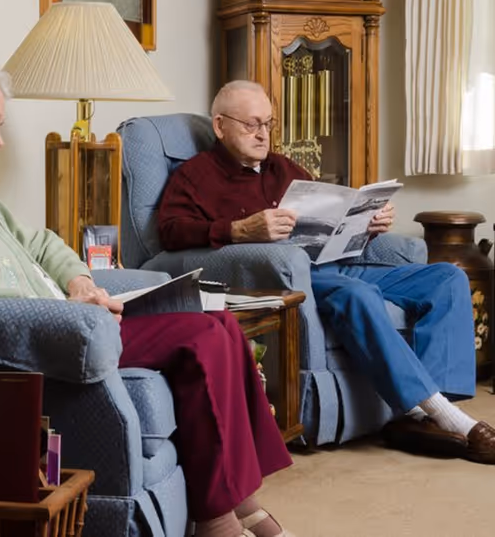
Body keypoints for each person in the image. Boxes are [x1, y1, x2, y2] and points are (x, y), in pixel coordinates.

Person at [0, 62, 297, 537]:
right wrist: (69, 317)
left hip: (72, 325)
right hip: (45, 350)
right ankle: (217, 519)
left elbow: (45, 243)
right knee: (201, 338)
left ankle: (238, 497)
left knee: (221, 326)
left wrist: (80, 283)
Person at [158, 79, 495, 465]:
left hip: (338, 262)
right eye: (252, 124)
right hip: (290, 275)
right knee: (358, 294)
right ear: (220, 126)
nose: (263, 134)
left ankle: (426, 417)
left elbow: (330, 215)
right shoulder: (195, 176)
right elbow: (169, 232)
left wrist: (367, 222)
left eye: (268, 123)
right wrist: (238, 229)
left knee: (447, 278)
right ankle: (444, 417)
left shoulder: (283, 167)